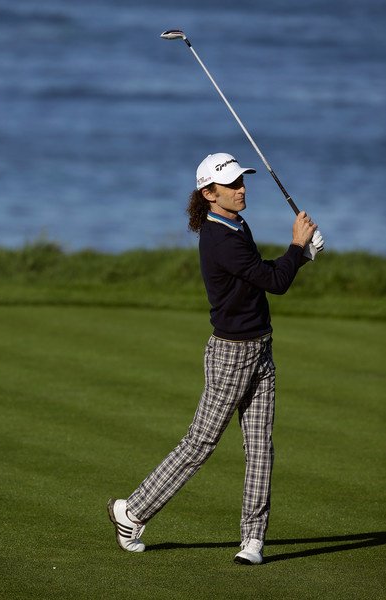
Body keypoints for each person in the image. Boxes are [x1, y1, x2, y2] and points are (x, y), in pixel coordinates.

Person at [107, 152, 324, 565]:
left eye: (242, 181)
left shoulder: (236, 223)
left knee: (260, 448)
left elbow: (259, 274)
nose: (241, 189)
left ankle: (253, 540)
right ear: (209, 193)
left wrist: (301, 256)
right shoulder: (220, 238)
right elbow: (275, 282)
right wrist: (297, 246)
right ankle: (131, 512)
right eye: (232, 184)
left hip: (261, 349)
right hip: (232, 354)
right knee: (200, 443)